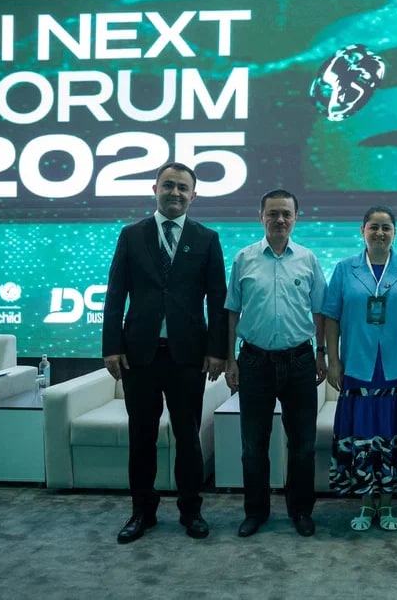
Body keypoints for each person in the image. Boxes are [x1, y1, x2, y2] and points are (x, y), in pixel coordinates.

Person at [102, 161, 227, 544]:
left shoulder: (207, 238)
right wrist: (111, 347)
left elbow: (217, 300)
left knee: (188, 437)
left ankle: (191, 510)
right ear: (155, 189)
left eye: (182, 188)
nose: (175, 193)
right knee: (141, 437)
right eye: (168, 185)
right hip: (139, 355)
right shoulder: (131, 235)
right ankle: (142, 511)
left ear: (194, 195)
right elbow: (115, 293)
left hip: (188, 357)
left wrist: (218, 351)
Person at [323, 206, 397, 532]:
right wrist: (333, 361)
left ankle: (386, 503)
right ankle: (364, 503)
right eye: (374, 227)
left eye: (386, 227)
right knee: (361, 436)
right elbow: (331, 319)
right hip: (358, 367)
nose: (380, 233)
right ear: (363, 231)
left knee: (394, 436)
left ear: (395, 233)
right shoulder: (344, 269)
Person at [223, 189, 327, 538]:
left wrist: (321, 353)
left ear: (296, 218)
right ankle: (256, 512)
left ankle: (301, 510)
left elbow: (320, 310)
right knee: (253, 445)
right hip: (254, 362)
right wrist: (230, 358)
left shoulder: (308, 259)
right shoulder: (244, 258)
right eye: (273, 213)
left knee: (303, 445)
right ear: (261, 217)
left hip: (300, 362)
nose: (280, 219)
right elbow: (232, 311)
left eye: (286, 214)